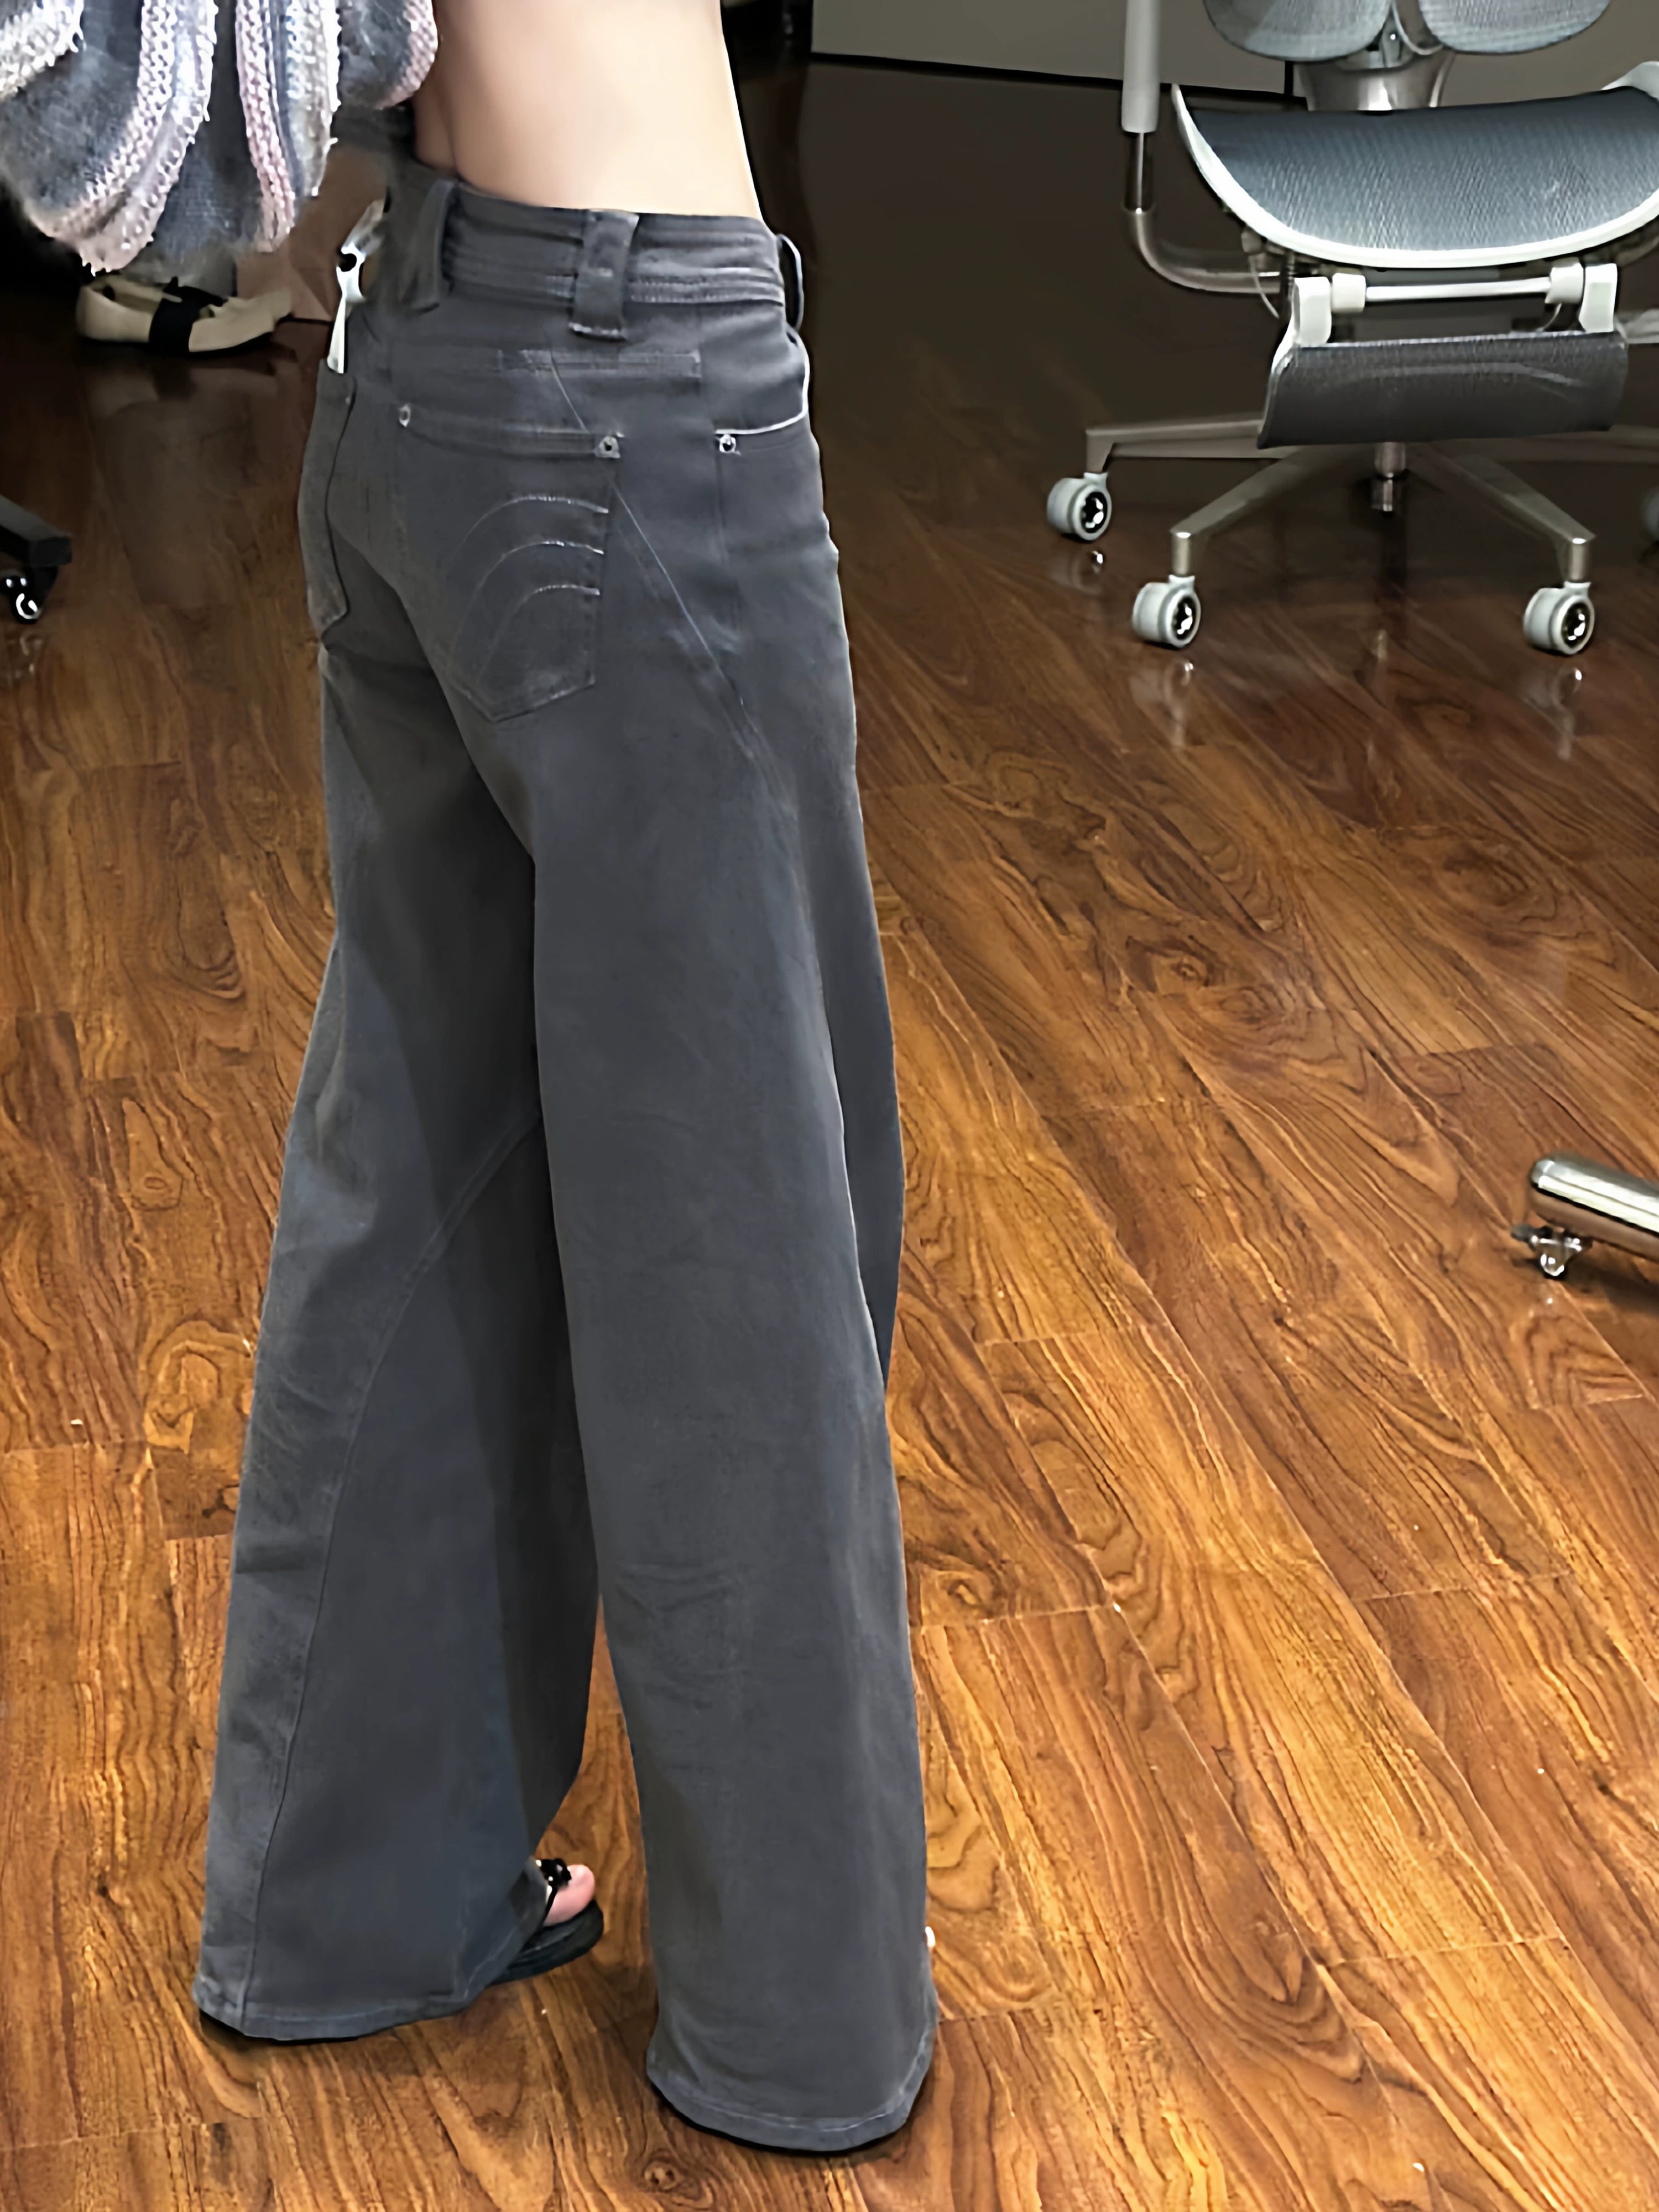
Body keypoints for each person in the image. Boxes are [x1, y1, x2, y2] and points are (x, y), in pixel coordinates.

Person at [0, 0, 936, 2154]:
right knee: (742, 1256)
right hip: (637, 380)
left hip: (418, 361)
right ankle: (799, 2028)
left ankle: (348, 1906)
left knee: (423, 1176)